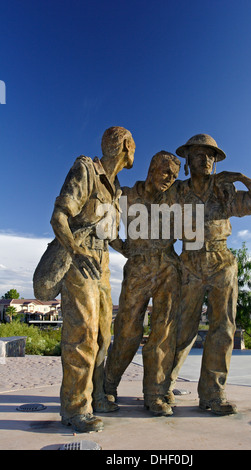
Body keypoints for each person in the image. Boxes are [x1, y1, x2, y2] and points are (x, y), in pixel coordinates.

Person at [168, 134, 251, 415]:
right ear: (187, 161)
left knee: (223, 329)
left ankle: (213, 395)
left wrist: (239, 177)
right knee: (181, 328)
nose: (205, 159)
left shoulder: (224, 192)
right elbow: (152, 213)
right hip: (188, 260)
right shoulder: (177, 191)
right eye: (198, 154)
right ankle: (162, 388)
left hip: (221, 261)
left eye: (210, 155)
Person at [49, 126, 135, 433]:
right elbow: (59, 216)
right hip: (80, 260)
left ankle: (97, 396)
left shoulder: (116, 189)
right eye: (132, 145)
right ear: (125, 146)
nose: (133, 151)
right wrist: (75, 250)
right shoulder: (86, 168)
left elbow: (109, 236)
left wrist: (132, 249)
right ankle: (75, 408)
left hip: (103, 264)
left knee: (102, 336)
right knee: (81, 335)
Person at [104, 151, 181, 416]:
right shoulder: (125, 196)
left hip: (168, 268)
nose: (170, 179)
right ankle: (108, 386)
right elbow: (104, 222)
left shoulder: (175, 200)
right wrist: (121, 246)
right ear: (151, 169)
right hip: (138, 269)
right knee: (126, 331)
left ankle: (154, 394)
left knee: (163, 333)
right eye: (166, 172)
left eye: (174, 176)